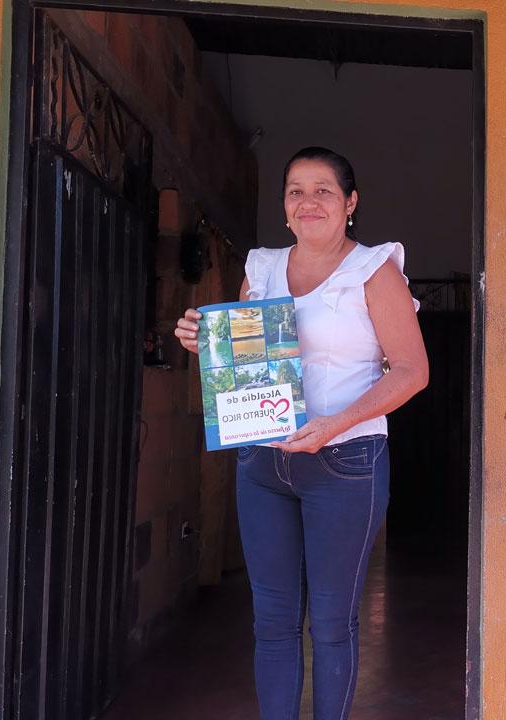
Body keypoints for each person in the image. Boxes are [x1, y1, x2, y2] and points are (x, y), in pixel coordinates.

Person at [173, 146, 428, 720]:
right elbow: (243, 355)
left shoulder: (373, 271)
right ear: (284, 206)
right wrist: (203, 339)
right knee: (273, 622)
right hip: (264, 463)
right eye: (295, 191)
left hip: (345, 463)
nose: (308, 201)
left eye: (323, 190)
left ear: (350, 203)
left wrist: (333, 426)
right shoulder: (261, 268)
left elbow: (414, 371)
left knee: (334, 625)